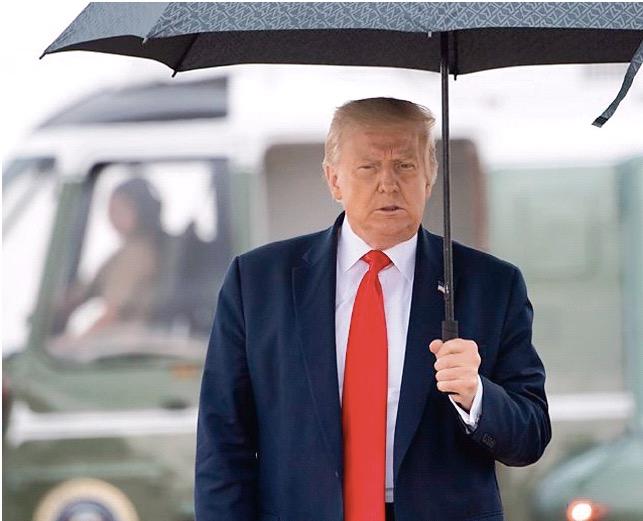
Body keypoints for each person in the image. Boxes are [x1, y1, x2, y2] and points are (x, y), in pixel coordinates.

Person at [194, 97, 551, 521]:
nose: (388, 184)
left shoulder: (490, 285)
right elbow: (222, 441)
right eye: (368, 167)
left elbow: (530, 436)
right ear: (334, 180)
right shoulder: (257, 282)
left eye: (405, 165)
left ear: (430, 176)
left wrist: (476, 395)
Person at [52, 177, 164, 340]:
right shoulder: (125, 250)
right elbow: (83, 292)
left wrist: (72, 344)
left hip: (128, 341)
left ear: (140, 210)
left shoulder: (137, 254)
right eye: (110, 209)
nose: (111, 215)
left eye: (119, 209)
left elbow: (112, 316)